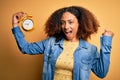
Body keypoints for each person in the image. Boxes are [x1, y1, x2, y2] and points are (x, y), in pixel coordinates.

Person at [12, 6, 114, 80]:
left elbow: (101, 73)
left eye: (70, 22)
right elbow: (26, 48)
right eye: (62, 23)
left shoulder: (90, 50)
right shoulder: (51, 43)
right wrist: (15, 25)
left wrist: (106, 42)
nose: (65, 27)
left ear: (80, 24)